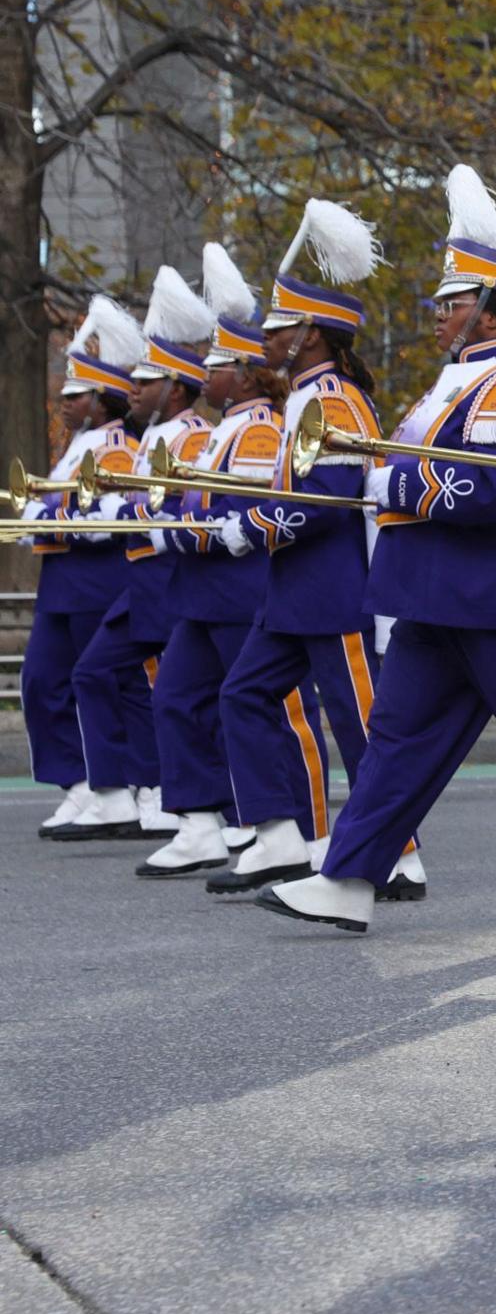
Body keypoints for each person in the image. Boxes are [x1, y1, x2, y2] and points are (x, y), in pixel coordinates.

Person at [258, 166, 496, 936]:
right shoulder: (455, 380)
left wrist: (392, 486)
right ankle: (348, 878)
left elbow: (491, 493)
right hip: (438, 596)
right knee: (396, 739)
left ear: (490, 311)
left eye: (452, 302)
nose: (436, 313)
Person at [208, 199, 424, 901]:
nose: (265, 342)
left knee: (361, 724)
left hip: (335, 586)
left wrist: (255, 526)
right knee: (242, 695)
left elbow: (329, 497)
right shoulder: (303, 396)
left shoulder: (334, 399)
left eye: (278, 330)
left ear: (309, 333)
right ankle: (277, 835)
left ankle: (400, 853)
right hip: (295, 591)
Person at [140, 245, 284, 876]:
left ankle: (275, 826)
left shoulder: (256, 430)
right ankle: (200, 821)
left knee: (250, 705)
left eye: (221, 363)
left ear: (248, 373)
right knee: (174, 698)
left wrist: (173, 533)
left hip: (236, 588)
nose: (206, 371)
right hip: (203, 592)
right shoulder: (224, 426)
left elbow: (239, 524)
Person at [69, 267, 219, 846]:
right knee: (104, 673)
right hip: (142, 575)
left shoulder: (193, 435)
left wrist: (120, 515)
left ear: (176, 388)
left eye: (146, 382)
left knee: (183, 691)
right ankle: (138, 791)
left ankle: (169, 795)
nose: (132, 389)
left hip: (168, 570)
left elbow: (177, 501)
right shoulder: (156, 435)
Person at [22, 297, 149, 839]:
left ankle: (122, 784)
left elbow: (101, 519)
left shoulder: (117, 446)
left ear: (101, 400)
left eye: (76, 396)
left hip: (98, 582)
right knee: (41, 682)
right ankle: (77, 780)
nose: (65, 403)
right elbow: (50, 506)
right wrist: (47, 513)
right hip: (62, 584)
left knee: (107, 684)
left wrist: (51, 517)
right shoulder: (78, 446)